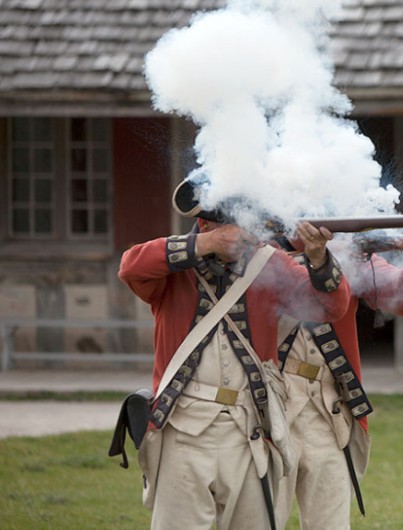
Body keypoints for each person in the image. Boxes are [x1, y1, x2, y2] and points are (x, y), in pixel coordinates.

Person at [117, 179, 351, 530]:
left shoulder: (269, 264)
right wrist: (206, 244)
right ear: (207, 224)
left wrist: (319, 258)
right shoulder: (176, 263)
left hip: (250, 431)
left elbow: (330, 307)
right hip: (183, 429)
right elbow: (130, 266)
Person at [273, 235, 403, 529]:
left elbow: (401, 294)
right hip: (271, 401)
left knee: (330, 520)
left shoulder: (347, 252)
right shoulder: (261, 251)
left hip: (329, 407)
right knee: (262, 518)